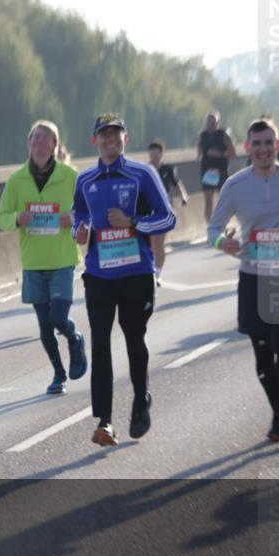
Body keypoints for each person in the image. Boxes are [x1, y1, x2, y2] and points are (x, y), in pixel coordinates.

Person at [208, 118, 279, 442]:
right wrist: (223, 244)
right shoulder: (235, 185)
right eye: (256, 144)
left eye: (268, 143)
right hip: (253, 276)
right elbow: (213, 229)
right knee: (261, 351)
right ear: (248, 147)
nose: (262, 150)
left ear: (278, 145)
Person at [72, 114, 176, 446]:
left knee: (134, 339)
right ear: (94, 141)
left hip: (136, 273)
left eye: (115, 134)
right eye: (103, 135)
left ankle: (140, 400)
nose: (109, 140)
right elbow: (79, 211)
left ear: (125, 139)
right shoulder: (85, 179)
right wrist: (81, 227)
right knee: (100, 344)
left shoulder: (142, 174)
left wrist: (134, 222)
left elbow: (167, 218)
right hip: (100, 275)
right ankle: (104, 421)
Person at [0, 120, 86, 395]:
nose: (39, 143)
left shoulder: (70, 177)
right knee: (44, 326)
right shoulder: (17, 180)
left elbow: (86, 210)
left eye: (45, 138)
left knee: (58, 317)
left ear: (54, 146)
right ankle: (58, 373)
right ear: (28, 143)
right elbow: (1, 216)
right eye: (35, 138)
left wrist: (74, 219)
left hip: (62, 259)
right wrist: (16, 219)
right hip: (33, 263)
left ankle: (73, 336)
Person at [147, 139, 189, 285]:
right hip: (147, 211)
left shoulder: (168, 170)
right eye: (151, 155)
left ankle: (158, 273)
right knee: (149, 243)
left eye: (156, 155)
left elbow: (177, 184)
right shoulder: (146, 171)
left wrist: (183, 196)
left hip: (164, 211)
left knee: (159, 242)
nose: (154, 158)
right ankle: (150, 269)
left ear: (162, 155)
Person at [196, 112, 236, 222]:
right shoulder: (202, 135)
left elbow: (233, 153)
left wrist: (220, 154)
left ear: (217, 123)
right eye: (208, 122)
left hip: (221, 170)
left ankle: (223, 223)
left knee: (223, 200)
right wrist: (199, 162)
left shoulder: (223, 135)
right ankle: (210, 227)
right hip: (208, 171)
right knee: (208, 200)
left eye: (213, 122)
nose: (210, 125)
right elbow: (199, 152)